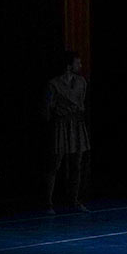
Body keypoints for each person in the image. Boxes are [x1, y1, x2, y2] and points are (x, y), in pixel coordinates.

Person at [43, 50, 92, 213]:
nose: (80, 65)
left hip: (76, 124)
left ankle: (75, 199)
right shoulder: (54, 84)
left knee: (77, 164)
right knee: (55, 164)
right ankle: (48, 202)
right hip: (61, 125)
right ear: (68, 65)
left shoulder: (81, 82)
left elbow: (82, 102)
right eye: (77, 63)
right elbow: (48, 107)